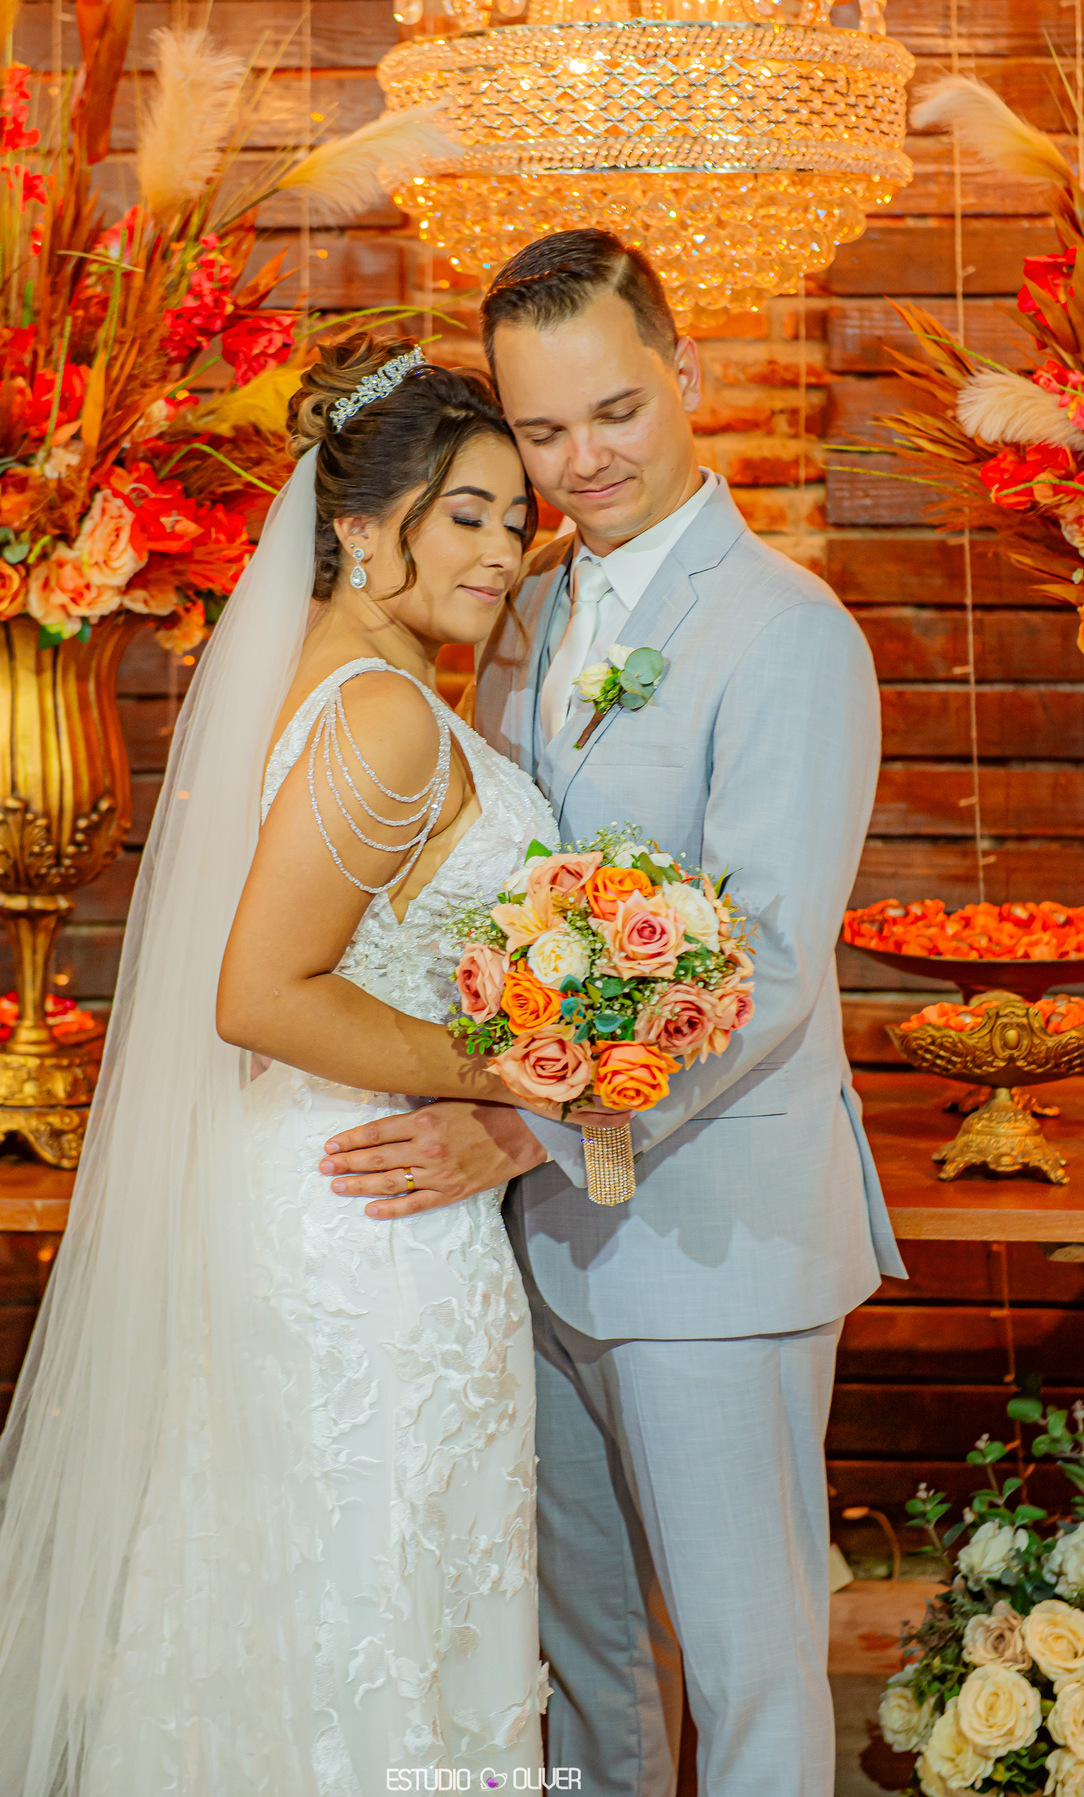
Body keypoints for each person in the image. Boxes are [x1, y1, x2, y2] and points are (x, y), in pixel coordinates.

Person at [0, 336, 623, 1797]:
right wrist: (511, 1073)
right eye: (465, 514)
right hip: (368, 1223)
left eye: (514, 519)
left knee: (302, 1611)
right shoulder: (384, 714)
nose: (501, 550)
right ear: (359, 527)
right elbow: (261, 992)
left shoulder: (337, 684)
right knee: (371, 1611)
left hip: (326, 1191)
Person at [314, 229, 909, 1797]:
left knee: (747, 1667)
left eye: (617, 412)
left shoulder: (790, 629)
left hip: (716, 1238)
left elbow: (766, 963)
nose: (583, 461)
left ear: (685, 373)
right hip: (541, 1251)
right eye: (544, 429)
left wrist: (524, 1125)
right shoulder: (520, 608)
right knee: (590, 1669)